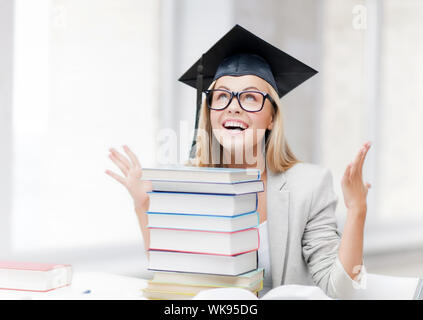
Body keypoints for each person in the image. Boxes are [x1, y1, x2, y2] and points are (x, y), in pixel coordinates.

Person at [105, 25, 371, 299]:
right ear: (208, 112)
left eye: (250, 97)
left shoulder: (310, 186)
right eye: (221, 96)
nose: (233, 106)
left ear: (271, 118)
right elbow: (174, 278)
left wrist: (357, 210)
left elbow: (341, 290)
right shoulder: (192, 185)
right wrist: (144, 205)